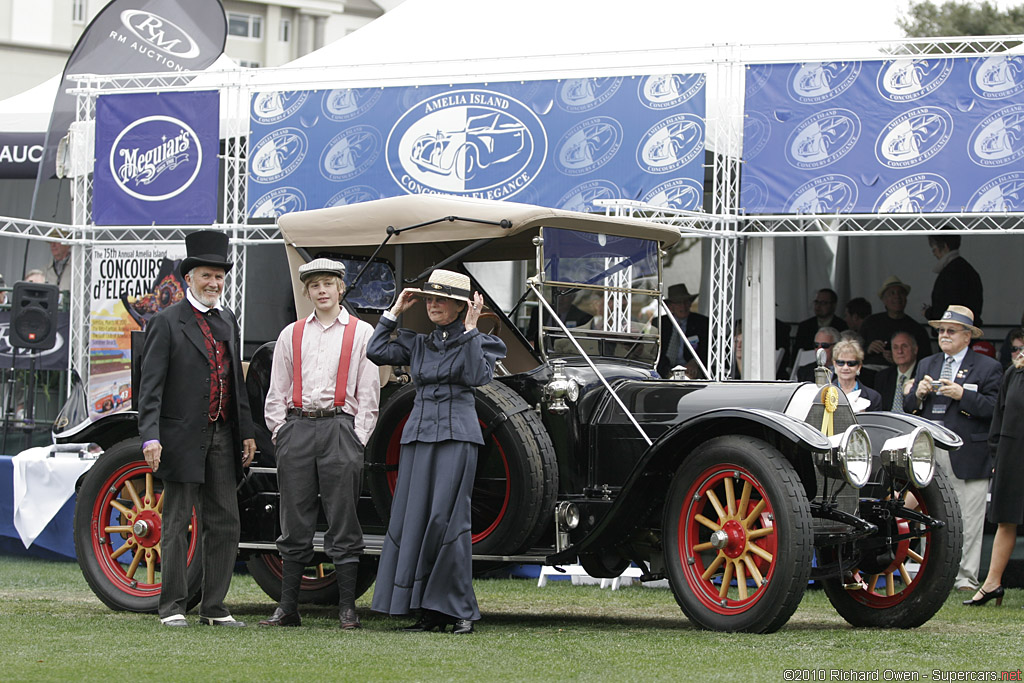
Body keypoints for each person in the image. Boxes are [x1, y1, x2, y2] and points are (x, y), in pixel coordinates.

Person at [367, 269, 506, 635]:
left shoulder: (479, 340)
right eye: (429, 299)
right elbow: (375, 350)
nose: (432, 305)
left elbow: (478, 376)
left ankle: (459, 610)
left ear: (460, 306)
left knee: (447, 521)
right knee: (415, 519)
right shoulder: (419, 343)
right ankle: (427, 610)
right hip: (417, 437)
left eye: (440, 299)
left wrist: (473, 329)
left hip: (457, 437)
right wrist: (394, 311)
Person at [137, 230, 256, 627]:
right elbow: (149, 387)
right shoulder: (167, 322)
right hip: (180, 437)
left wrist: (247, 433)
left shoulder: (228, 320)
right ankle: (172, 606)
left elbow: (234, 381)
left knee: (225, 520)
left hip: (223, 434)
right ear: (189, 278)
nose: (214, 283)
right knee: (176, 520)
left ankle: (213, 606)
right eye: (207, 275)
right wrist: (150, 436)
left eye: (220, 277)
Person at [259, 258, 380, 629]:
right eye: (315, 286)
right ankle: (288, 608)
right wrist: (281, 432)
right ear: (307, 291)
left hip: (340, 428)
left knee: (343, 517)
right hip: (297, 428)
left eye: (329, 283)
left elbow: (370, 392)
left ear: (341, 288)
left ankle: (347, 609)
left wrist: (357, 437)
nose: (322, 291)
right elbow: (276, 390)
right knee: (293, 519)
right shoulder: (291, 334)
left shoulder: (362, 333)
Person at [907, 305, 1002, 593]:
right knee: (930, 513)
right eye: (941, 331)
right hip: (932, 450)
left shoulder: (988, 366)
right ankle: (931, 577)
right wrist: (917, 394)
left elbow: (995, 409)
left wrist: (963, 396)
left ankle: (965, 579)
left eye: (951, 331)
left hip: (968, 453)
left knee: (969, 519)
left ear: (967, 336)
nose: (944, 335)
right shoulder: (927, 364)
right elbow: (910, 408)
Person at [963, 335, 1024, 606]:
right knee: (1005, 520)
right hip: (1011, 455)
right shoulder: (1014, 373)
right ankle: (991, 584)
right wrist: (996, 453)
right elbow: (998, 416)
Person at [859, 276, 932, 367]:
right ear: (884, 300)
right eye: (892, 293)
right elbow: (854, 352)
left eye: (901, 293)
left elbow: (925, 360)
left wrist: (901, 358)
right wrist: (868, 349)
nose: (897, 297)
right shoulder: (870, 322)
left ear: (905, 299)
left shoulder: (916, 329)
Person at [923, 233, 983, 325]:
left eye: (934, 249)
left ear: (945, 246)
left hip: (954, 331)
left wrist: (928, 312)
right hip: (968, 328)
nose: (933, 253)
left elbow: (945, 309)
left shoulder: (949, 273)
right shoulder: (968, 270)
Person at [656, 283, 708, 378]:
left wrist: (695, 362)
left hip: (690, 370)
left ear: (690, 304)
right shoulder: (660, 322)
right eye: (678, 303)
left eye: (686, 302)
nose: (683, 306)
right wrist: (666, 371)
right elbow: (656, 351)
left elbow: (706, 349)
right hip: (664, 370)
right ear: (670, 307)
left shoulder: (701, 322)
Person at [873, 331, 919, 412]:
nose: (899, 351)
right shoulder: (882, 377)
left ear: (915, 349)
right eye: (895, 347)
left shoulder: (922, 374)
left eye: (904, 346)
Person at [830, 339, 881, 412]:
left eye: (851, 363)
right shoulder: (822, 394)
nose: (845, 367)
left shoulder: (873, 397)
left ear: (859, 366)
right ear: (834, 364)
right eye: (841, 363)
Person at [793, 288, 847, 353]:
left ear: (833, 305)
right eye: (816, 302)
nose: (818, 306)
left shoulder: (842, 326)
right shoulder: (804, 326)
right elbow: (797, 353)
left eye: (823, 303)